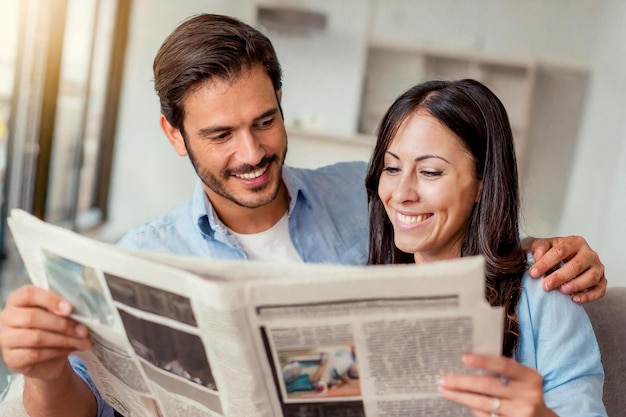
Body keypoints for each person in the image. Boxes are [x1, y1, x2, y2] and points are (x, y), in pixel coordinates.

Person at [0, 14, 606, 417]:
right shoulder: (139, 254)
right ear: (174, 134)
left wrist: (544, 251)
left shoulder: (362, 194)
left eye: (264, 121)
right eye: (220, 134)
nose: (252, 152)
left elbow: (458, 231)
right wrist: (44, 368)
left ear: (281, 103)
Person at [364, 79, 606, 416]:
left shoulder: (542, 295)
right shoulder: (364, 284)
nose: (402, 192)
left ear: (482, 183)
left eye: (430, 172)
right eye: (391, 167)